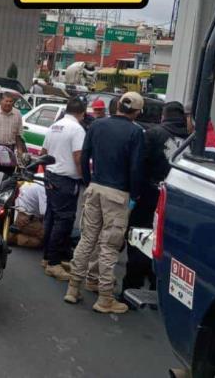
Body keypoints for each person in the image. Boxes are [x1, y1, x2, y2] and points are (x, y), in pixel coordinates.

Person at [64, 91, 145, 314]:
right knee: (109, 246)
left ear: (118, 105)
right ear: (137, 112)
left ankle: (73, 288)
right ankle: (105, 297)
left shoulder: (97, 125)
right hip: (118, 194)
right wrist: (135, 195)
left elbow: (85, 154)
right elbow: (136, 168)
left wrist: (89, 181)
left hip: (95, 188)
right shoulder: (135, 133)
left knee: (87, 239)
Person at [123, 101, 188, 292]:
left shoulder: (153, 134)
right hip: (177, 200)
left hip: (150, 196)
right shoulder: (193, 139)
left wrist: (135, 193)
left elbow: (139, 166)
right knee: (165, 244)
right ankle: (155, 285)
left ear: (163, 116)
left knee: (139, 240)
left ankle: (132, 287)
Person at [41, 98, 86, 281]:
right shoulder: (77, 129)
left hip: (51, 175)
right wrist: (85, 178)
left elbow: (43, 153)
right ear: (81, 113)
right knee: (64, 221)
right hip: (66, 181)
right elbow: (78, 156)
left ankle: (49, 257)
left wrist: (48, 173)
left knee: (51, 217)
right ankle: (53, 263)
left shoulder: (55, 126)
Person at [8, 181, 46, 248]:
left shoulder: (37, 179)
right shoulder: (43, 188)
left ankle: (14, 234)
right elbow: (44, 212)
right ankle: (13, 238)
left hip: (21, 214)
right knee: (48, 238)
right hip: (28, 219)